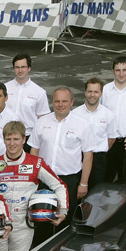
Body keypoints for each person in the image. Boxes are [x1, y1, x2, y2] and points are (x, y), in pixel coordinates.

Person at [0, 121, 69, 251]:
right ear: (3, 140)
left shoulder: (36, 163)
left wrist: (62, 210)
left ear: (24, 139)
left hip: (23, 224)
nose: (12, 143)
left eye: (16, 139)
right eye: (8, 139)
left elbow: (59, 185)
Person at [29, 87, 94, 220]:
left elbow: (88, 155)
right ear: (52, 102)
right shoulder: (42, 122)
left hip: (69, 180)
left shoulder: (82, 124)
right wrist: (33, 177)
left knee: (67, 218)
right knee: (43, 217)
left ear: (72, 102)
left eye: (64, 101)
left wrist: (84, 183)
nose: (60, 105)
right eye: (57, 101)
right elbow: (34, 150)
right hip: (44, 179)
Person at [70, 78, 117, 191]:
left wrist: (100, 151)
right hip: (79, 158)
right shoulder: (75, 114)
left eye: (96, 92)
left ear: (101, 93)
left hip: (98, 160)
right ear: (85, 92)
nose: (92, 95)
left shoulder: (108, 114)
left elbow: (112, 138)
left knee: (96, 193)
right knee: (77, 190)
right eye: (90, 91)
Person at [5, 53, 50, 142]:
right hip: (7, 136)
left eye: (23, 67)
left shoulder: (39, 92)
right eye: (17, 67)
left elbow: (43, 119)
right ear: (14, 69)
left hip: (29, 137)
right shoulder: (5, 88)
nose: (20, 70)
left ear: (29, 68)